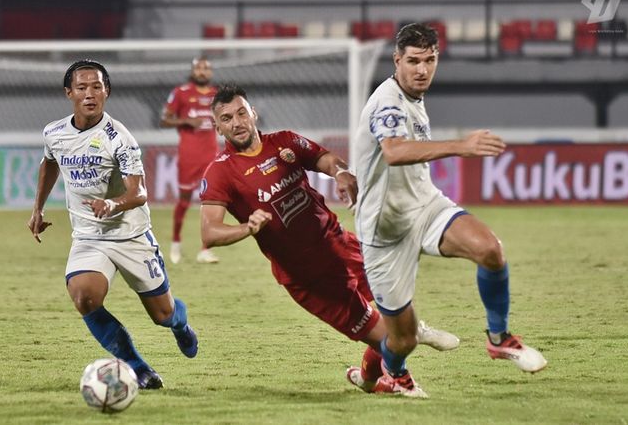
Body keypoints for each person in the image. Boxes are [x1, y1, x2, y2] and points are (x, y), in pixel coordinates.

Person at [199, 84, 459, 398]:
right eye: (227, 118)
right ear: (217, 127)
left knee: (396, 301)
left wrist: (340, 173)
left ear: (253, 113)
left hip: (340, 244)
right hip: (307, 277)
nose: (237, 122)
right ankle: (401, 378)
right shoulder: (220, 173)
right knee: (387, 337)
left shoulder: (284, 142)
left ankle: (373, 372)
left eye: (242, 112)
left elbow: (325, 159)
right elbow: (209, 233)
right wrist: (247, 228)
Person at [350, 23, 547, 397]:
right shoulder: (388, 101)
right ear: (397, 60)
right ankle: (389, 373)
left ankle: (499, 337)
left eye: (429, 60)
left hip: (424, 206)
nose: (422, 69)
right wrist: (462, 146)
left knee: (490, 250)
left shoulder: (414, 97)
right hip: (385, 232)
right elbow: (393, 152)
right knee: (402, 339)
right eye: (413, 61)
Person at [27, 60, 198, 390]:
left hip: (131, 235)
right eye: (82, 87)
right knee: (84, 296)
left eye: (96, 87)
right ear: (69, 93)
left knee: (162, 315)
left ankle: (181, 324)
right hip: (90, 236)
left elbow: (140, 193)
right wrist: (38, 208)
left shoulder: (119, 138)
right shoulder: (54, 132)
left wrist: (112, 204)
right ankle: (137, 368)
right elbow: (50, 163)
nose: (89, 94)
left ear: (107, 91)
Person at [159, 56, 220, 264]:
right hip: (189, 156)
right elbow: (164, 119)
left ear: (210, 72)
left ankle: (205, 249)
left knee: (211, 202)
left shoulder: (217, 95)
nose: (202, 71)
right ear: (193, 71)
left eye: (206, 68)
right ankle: (176, 242)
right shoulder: (181, 93)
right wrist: (185, 120)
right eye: (199, 68)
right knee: (184, 201)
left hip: (212, 156)